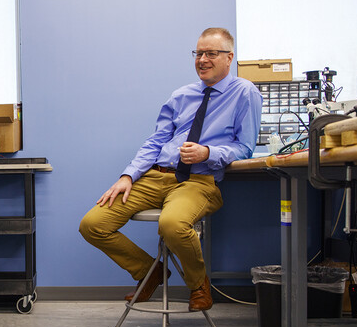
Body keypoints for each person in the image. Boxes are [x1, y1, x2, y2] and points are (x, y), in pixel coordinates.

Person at [78, 27, 262, 311]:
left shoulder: (244, 93)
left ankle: (199, 286)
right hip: (156, 176)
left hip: (198, 180)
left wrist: (208, 152)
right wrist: (128, 175)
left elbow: (245, 147)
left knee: (172, 225)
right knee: (93, 224)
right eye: (198, 53)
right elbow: (156, 141)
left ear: (229, 57)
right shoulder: (181, 95)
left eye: (211, 53)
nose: (202, 59)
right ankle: (150, 273)